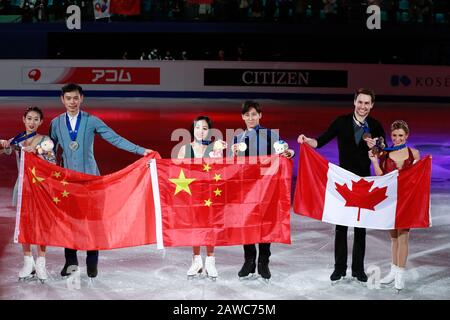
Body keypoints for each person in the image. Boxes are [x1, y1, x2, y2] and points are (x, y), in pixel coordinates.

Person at [49, 83, 153, 279]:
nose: (72, 102)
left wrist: (141, 150)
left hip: (91, 180)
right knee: (69, 222)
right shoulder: (55, 123)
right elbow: (49, 151)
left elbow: (115, 139)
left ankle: (92, 260)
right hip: (68, 182)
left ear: (82, 99)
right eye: (68, 98)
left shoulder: (92, 121)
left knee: (92, 221)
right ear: (62, 100)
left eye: (76, 98)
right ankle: (70, 261)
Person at [297, 88, 386, 283]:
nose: (363, 107)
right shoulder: (342, 122)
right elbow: (320, 141)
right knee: (341, 227)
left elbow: (383, 152)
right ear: (354, 102)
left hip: (364, 183)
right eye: (360, 102)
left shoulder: (376, 126)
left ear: (372, 105)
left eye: (367, 103)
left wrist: (376, 148)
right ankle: (339, 268)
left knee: (361, 228)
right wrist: (306, 140)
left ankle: (358, 269)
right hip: (343, 180)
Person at [231, 101, 294, 281]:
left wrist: (290, 153)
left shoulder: (270, 135)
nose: (250, 118)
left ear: (260, 115)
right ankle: (249, 260)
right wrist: (233, 154)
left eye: (254, 114)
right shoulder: (238, 138)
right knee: (247, 222)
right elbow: (233, 165)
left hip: (267, 186)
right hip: (246, 187)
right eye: (247, 115)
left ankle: (263, 261)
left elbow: (283, 151)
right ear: (242, 117)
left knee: (265, 222)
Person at [1, 106, 56, 282]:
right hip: (22, 187)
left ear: (40, 122)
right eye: (29, 118)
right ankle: (27, 261)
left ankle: (41, 261)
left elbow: (52, 162)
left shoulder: (45, 140)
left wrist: (38, 153)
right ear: (24, 119)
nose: (32, 122)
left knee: (40, 224)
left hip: (40, 188)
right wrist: (2, 143)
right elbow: (4, 150)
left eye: (35, 119)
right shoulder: (18, 139)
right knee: (23, 223)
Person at [369, 120, 420, 291]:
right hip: (390, 201)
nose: (397, 139)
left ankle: (400, 276)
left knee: (403, 237)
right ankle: (393, 271)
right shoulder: (385, 154)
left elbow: (417, 179)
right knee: (393, 238)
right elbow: (380, 177)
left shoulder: (414, 153)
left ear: (407, 136)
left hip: (406, 201)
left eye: (400, 136)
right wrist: (375, 162)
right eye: (394, 135)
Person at [177, 115, 225, 280]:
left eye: (205, 128)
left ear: (209, 131)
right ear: (193, 129)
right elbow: (175, 171)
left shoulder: (214, 148)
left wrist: (219, 153)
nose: (201, 131)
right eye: (198, 127)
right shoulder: (184, 149)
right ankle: (196, 260)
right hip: (192, 195)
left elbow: (221, 170)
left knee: (210, 225)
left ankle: (210, 260)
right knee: (195, 226)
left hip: (211, 194)